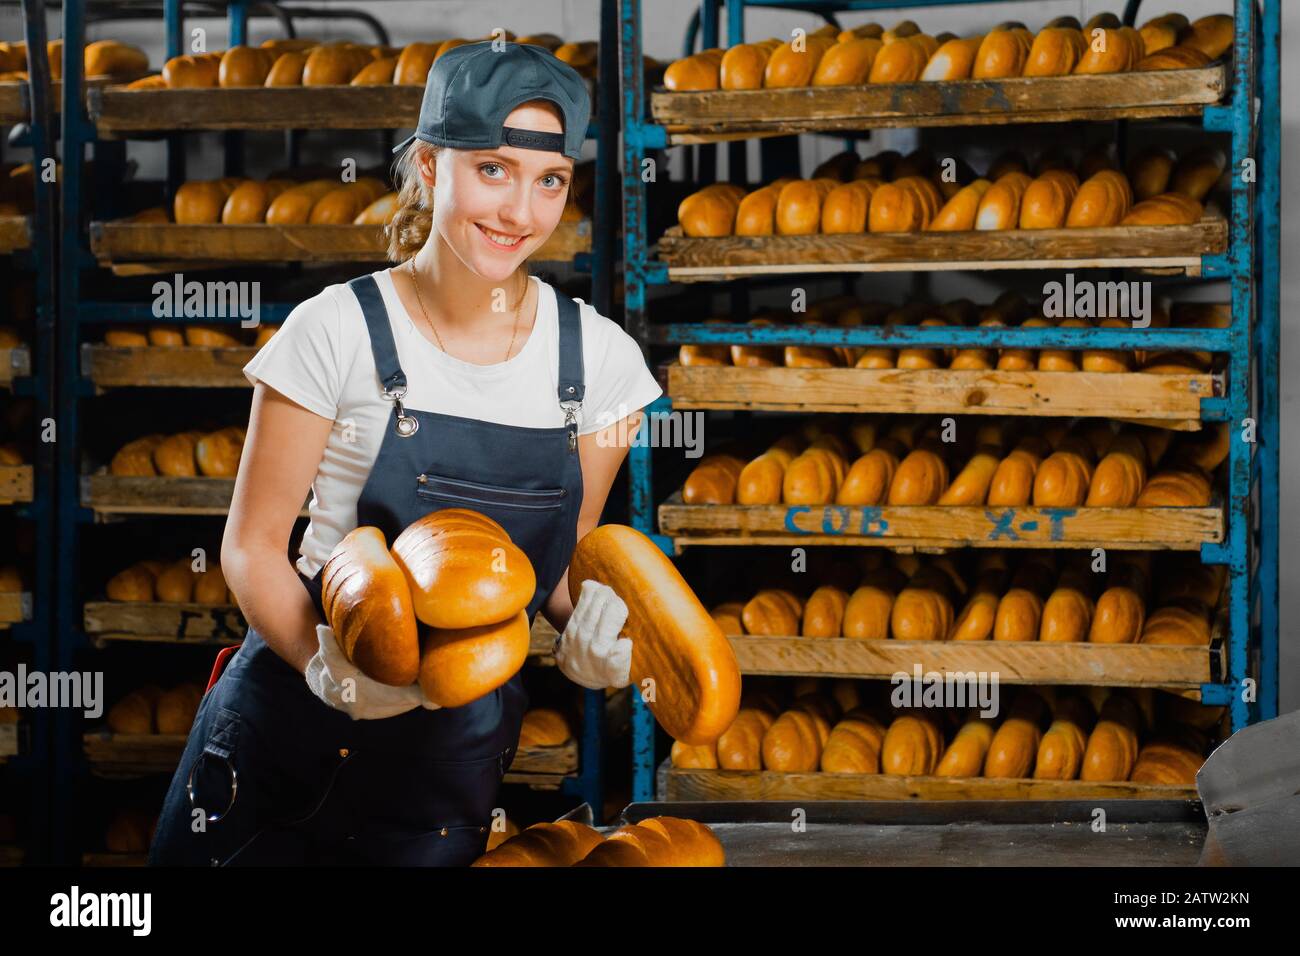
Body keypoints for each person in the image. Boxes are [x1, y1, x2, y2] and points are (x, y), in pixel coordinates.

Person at [149, 41, 661, 866]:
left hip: (447, 764)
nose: (519, 212)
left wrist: (604, 638)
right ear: (429, 164)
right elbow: (249, 547)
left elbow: (563, 568)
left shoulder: (600, 366)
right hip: (284, 736)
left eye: (550, 180)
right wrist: (331, 670)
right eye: (492, 170)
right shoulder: (335, 329)